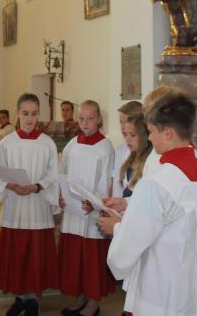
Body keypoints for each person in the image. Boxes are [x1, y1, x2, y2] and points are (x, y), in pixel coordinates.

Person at [98, 92, 197, 316]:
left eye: (152, 131)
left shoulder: (157, 181)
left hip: (163, 289)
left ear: (168, 133)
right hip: (195, 283)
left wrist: (115, 227)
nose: (150, 139)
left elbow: (134, 239)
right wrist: (127, 204)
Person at [0, 93, 60, 316]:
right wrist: (11, 185)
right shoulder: (6, 144)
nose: (29, 119)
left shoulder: (47, 143)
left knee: (35, 256)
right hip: (15, 207)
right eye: (25, 114)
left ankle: (33, 301)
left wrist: (38, 186)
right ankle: (20, 298)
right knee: (18, 255)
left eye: (34, 114)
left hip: (37, 206)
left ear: (39, 114)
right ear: (18, 114)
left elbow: (54, 174)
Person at [57, 100, 116, 316]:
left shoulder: (105, 147)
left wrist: (95, 202)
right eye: (82, 118)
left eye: (90, 118)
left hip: (93, 213)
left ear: (99, 119)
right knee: (76, 258)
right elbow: (63, 174)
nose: (85, 122)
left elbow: (107, 179)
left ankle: (93, 301)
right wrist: (62, 196)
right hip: (73, 212)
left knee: (91, 260)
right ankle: (79, 296)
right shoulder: (72, 144)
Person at [112, 113, 154, 202]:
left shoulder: (151, 161)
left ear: (144, 136)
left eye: (132, 135)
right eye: (126, 134)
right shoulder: (129, 157)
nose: (127, 139)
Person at [110, 101, 143, 197]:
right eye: (121, 122)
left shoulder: (147, 154)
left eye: (127, 122)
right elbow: (115, 180)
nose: (123, 127)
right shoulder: (120, 150)